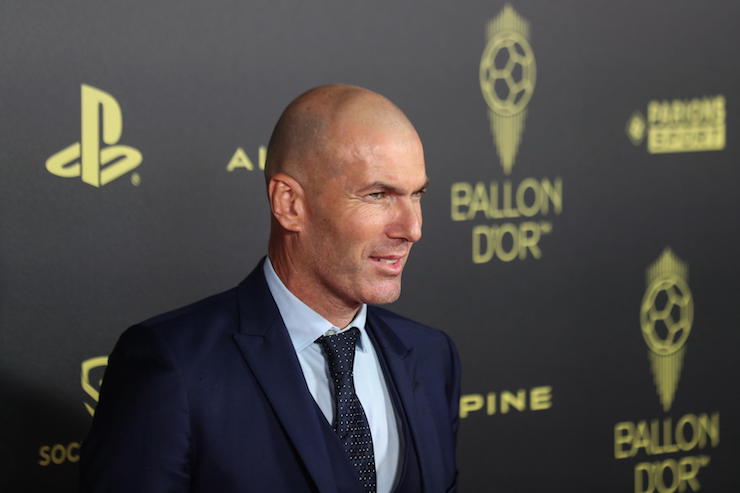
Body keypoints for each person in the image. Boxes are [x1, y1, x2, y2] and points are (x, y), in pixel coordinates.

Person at [80, 84, 460, 493]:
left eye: (417, 195)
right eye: (378, 195)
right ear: (289, 204)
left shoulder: (430, 355)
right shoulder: (174, 367)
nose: (412, 229)